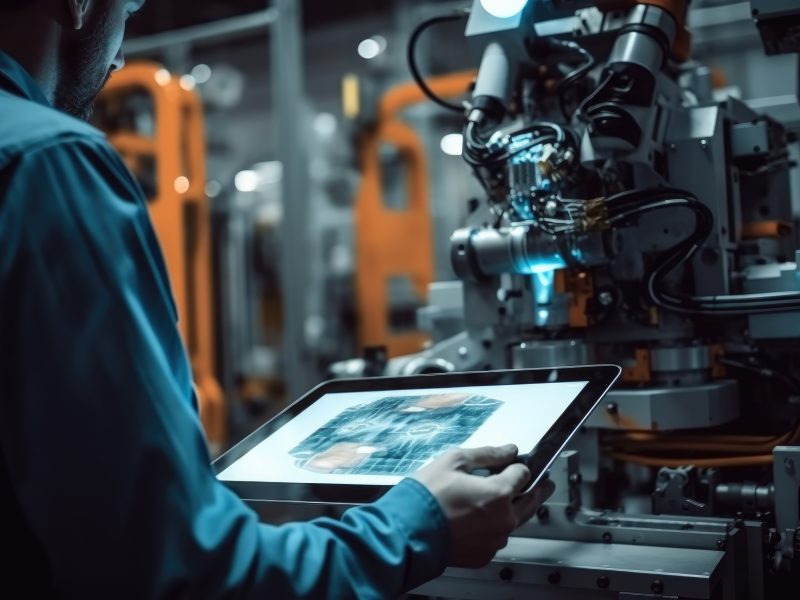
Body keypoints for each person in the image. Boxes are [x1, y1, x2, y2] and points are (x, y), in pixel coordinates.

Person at [0, 0, 555, 597]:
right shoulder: (48, 161)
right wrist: (417, 526)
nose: (121, 56)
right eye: (129, 8)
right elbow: (181, 570)